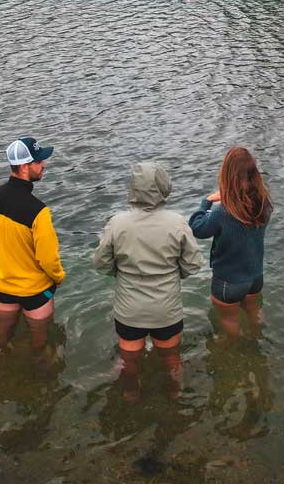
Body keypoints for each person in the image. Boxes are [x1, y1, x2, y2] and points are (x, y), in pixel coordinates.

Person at [93, 161, 204, 400]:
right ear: (164, 187)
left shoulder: (117, 223)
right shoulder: (177, 222)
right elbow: (193, 264)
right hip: (167, 310)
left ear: (133, 188)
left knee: (129, 359)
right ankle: (175, 394)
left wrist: (120, 273)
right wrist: (175, 275)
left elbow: (101, 263)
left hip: (129, 310)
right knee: (172, 357)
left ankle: (131, 394)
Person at [0, 136, 66, 351]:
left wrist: (8, 265)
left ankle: (2, 364)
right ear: (24, 166)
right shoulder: (39, 211)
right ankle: (35, 376)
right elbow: (48, 259)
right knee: (40, 341)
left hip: (3, 284)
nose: (43, 165)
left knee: (1, 336)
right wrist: (58, 278)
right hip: (35, 291)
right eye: (38, 161)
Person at [189, 146, 272, 337]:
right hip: (255, 277)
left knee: (229, 320)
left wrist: (207, 201)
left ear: (227, 174)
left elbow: (197, 228)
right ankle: (256, 338)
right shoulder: (264, 202)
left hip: (228, 283)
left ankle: (236, 350)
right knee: (255, 312)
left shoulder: (222, 211)